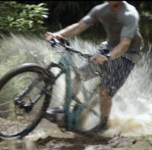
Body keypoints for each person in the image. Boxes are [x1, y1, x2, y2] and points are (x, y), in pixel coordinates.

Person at [44, 1, 143, 133]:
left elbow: (125, 44)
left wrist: (107, 57)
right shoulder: (101, 9)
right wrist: (58, 35)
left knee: (104, 91)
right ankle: (63, 109)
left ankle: (103, 124)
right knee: (79, 74)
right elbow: (79, 27)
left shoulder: (129, 14)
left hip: (128, 55)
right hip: (107, 48)